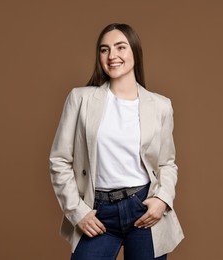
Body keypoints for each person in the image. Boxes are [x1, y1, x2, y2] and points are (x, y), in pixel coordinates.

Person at [49, 23, 184, 260]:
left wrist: (162, 199)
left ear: (134, 52)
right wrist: (77, 211)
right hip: (97, 211)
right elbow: (59, 160)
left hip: (142, 208)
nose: (112, 56)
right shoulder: (80, 99)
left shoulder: (161, 106)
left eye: (120, 47)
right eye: (104, 49)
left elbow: (167, 163)